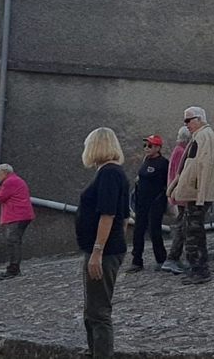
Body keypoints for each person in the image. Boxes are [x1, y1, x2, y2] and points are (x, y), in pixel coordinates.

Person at [76, 127, 130, 358]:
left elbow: (108, 214)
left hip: (104, 251)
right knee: (92, 308)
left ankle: (101, 354)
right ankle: (93, 351)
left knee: (98, 310)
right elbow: (125, 217)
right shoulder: (113, 173)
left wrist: (99, 250)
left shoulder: (109, 174)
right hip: (107, 248)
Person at [167, 106, 214, 285]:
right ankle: (198, 268)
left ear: (199, 119)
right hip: (194, 194)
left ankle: (199, 270)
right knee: (194, 232)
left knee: (193, 233)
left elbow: (205, 166)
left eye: (188, 120)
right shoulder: (201, 137)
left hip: (196, 195)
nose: (186, 124)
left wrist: (201, 194)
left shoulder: (204, 137)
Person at [126, 135, 168, 273]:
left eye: (150, 146)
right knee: (138, 231)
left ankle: (161, 259)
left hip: (155, 202)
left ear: (157, 147)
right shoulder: (146, 160)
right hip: (141, 202)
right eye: (145, 146)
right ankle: (136, 260)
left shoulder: (163, 163)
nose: (146, 148)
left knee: (155, 231)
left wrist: (162, 199)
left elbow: (166, 183)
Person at [0, 163, 34, 280]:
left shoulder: (10, 182)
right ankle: (14, 267)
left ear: (5, 172)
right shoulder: (15, 180)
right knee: (14, 241)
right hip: (21, 215)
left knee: (13, 241)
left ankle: (13, 268)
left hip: (17, 215)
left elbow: (0, 197)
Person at [158, 127, 190, 275]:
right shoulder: (181, 152)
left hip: (178, 195)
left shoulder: (178, 150)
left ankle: (175, 259)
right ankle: (172, 259)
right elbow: (180, 175)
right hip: (181, 196)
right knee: (182, 228)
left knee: (183, 227)